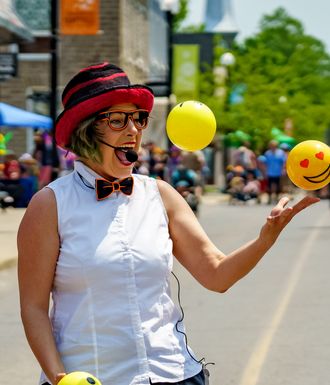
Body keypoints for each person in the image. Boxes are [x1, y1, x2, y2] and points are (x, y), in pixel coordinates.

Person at [17, 62, 319, 385]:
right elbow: (33, 308)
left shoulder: (159, 195)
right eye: (118, 120)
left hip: (175, 373)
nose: (133, 131)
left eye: (138, 119)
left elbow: (217, 273)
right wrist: (60, 378)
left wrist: (265, 239)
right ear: (86, 130)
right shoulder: (50, 205)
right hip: (94, 378)